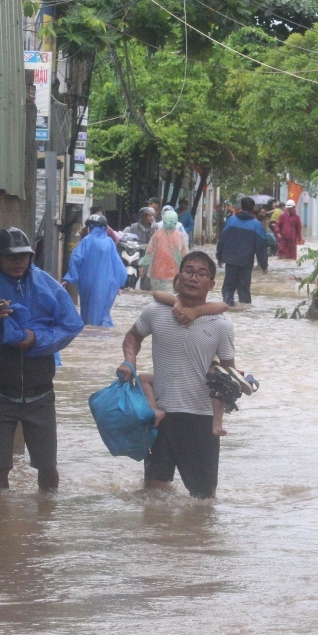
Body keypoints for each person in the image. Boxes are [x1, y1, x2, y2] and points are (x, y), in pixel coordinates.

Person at [0, 228, 84, 493]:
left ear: (31, 258)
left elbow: (71, 325)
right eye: (11, 257)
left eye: (23, 257)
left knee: (48, 468)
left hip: (41, 394)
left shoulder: (46, 285)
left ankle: (45, 521)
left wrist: (35, 338)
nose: (18, 262)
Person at [118, 252, 234, 498]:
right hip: (160, 417)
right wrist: (130, 363)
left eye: (202, 274)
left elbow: (227, 373)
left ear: (211, 284)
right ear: (178, 278)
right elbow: (132, 337)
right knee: (153, 499)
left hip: (201, 421)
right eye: (189, 271)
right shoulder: (156, 312)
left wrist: (228, 397)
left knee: (203, 502)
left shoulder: (221, 325)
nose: (194, 277)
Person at [139, 292, 232, 435]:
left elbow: (224, 306)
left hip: (203, 376)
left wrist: (195, 311)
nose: (193, 279)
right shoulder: (168, 306)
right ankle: (154, 409)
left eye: (200, 274)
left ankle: (217, 422)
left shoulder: (214, 316)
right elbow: (156, 293)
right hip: (176, 377)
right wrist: (176, 301)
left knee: (217, 376)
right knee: (142, 378)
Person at [63, 215, 127, 327]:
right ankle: (104, 335)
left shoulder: (87, 240)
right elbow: (118, 264)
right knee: (103, 312)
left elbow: (76, 259)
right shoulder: (110, 242)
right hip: (107, 284)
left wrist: (69, 278)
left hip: (88, 284)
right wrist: (120, 284)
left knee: (88, 313)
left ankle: (90, 335)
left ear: (91, 227)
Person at [216, 196, 269, 306]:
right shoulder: (256, 225)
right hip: (246, 261)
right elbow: (261, 247)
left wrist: (219, 256)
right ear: (253, 208)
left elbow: (222, 239)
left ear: (241, 206)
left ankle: (227, 308)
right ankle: (245, 311)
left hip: (230, 260)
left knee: (228, 287)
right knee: (244, 287)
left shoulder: (231, 220)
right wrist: (264, 265)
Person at [141, 209, 189, 291]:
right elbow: (185, 256)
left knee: (158, 298)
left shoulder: (157, 234)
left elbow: (149, 252)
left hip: (156, 274)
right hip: (173, 275)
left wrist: (142, 266)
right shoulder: (179, 236)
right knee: (169, 298)